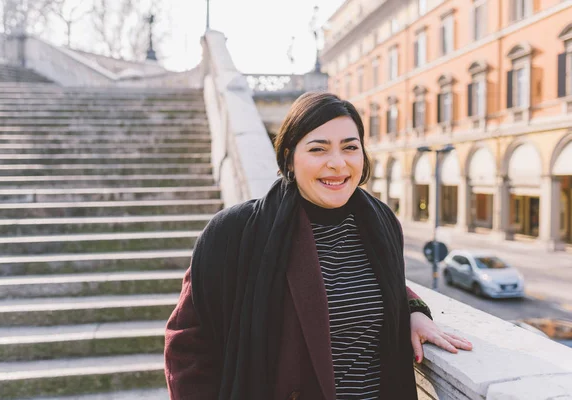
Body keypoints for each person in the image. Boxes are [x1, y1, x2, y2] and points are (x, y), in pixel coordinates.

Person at [165, 92, 473, 400]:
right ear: (289, 157)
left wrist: (413, 309)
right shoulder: (234, 231)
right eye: (318, 149)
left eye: (350, 147)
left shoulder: (382, 224)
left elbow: (382, 285)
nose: (337, 164)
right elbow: (186, 346)